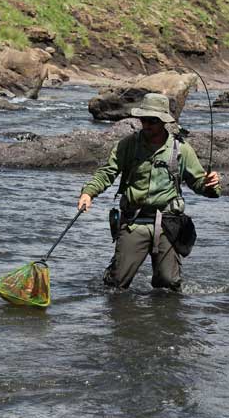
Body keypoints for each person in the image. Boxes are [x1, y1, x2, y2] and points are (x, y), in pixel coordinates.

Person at [77, 93, 221, 291]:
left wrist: (210, 185)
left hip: (169, 223)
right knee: (116, 284)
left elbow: (199, 184)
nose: (146, 125)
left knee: (169, 284)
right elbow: (107, 173)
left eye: (152, 121)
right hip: (134, 222)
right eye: (143, 119)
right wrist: (88, 193)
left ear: (163, 121)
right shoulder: (128, 145)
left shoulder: (182, 149)